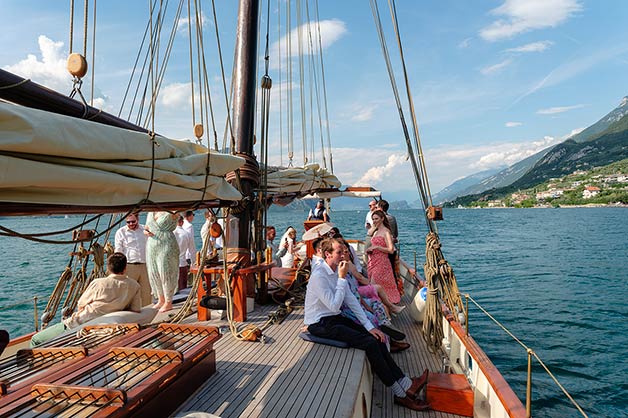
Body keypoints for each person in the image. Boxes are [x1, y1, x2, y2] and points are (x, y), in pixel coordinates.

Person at [304, 238, 429, 411]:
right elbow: (333, 304)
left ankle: (407, 383)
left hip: (334, 317)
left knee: (375, 337)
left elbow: (352, 302)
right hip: (319, 323)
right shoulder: (320, 276)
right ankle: (400, 394)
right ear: (328, 254)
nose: (343, 255)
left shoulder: (338, 272)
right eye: (339, 252)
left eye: (343, 251)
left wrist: (370, 327)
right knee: (369, 343)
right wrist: (341, 279)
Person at [30, 252, 141, 346]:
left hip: (79, 324)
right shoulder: (134, 285)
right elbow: (135, 310)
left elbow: (81, 304)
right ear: (125, 268)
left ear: (108, 267)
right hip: (106, 327)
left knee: (36, 339)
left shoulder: (99, 283)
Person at [145, 211, 180, 312]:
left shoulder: (172, 211)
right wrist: (146, 232)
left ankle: (168, 301)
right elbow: (146, 227)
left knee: (165, 271)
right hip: (152, 244)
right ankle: (161, 299)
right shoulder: (150, 212)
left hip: (166, 243)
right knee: (154, 272)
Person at [115, 213, 152, 306]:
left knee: (146, 293)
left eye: (133, 221)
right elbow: (119, 250)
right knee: (128, 293)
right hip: (129, 266)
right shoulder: (121, 232)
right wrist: (119, 268)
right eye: (128, 222)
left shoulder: (145, 229)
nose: (131, 224)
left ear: (138, 219)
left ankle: (146, 313)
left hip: (145, 265)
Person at [367, 210, 402, 305]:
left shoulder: (386, 232)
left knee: (374, 285)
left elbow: (391, 250)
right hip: (373, 261)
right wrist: (370, 249)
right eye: (373, 219)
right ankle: (382, 308)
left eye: (376, 219)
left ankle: (385, 308)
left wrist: (377, 247)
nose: (374, 221)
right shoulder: (376, 232)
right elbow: (369, 235)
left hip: (382, 262)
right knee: (375, 285)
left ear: (382, 219)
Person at [174, 215, 195, 292]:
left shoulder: (170, 234)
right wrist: (193, 262)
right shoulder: (186, 234)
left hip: (172, 264)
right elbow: (192, 250)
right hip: (182, 263)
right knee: (183, 288)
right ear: (182, 222)